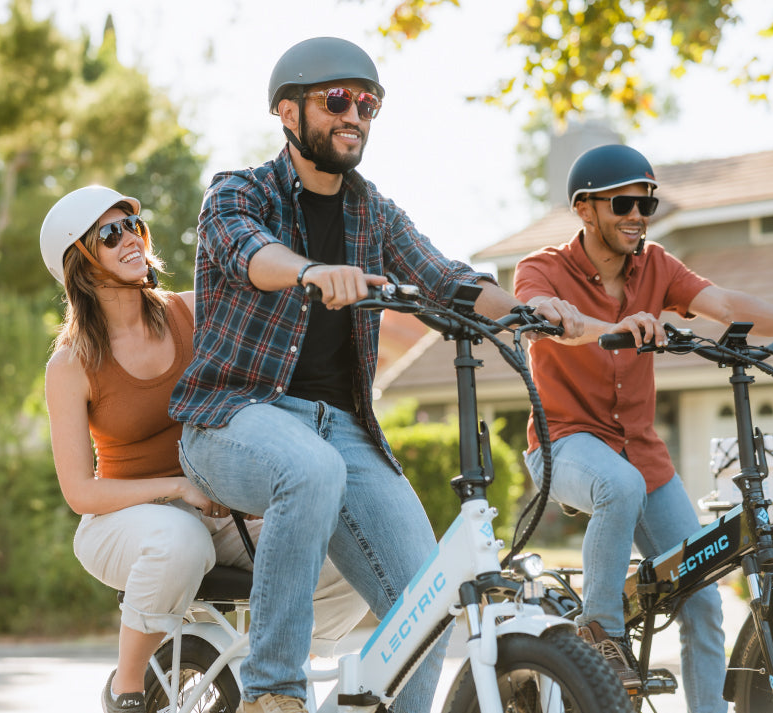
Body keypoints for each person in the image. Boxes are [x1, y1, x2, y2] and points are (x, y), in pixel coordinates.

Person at [169, 37, 585, 713]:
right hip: (232, 416)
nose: (354, 114)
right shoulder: (238, 193)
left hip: (344, 431)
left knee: (427, 601)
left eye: (368, 103)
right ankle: (272, 691)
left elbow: (446, 279)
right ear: (286, 111)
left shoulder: (373, 211)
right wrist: (308, 271)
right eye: (336, 99)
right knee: (309, 469)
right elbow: (249, 254)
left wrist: (527, 311)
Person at [40, 185, 368, 713]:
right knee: (180, 540)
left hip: (218, 508)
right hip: (125, 521)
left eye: (133, 227)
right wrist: (177, 487)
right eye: (108, 233)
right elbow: (81, 492)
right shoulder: (70, 364)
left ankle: (276, 676)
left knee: (345, 554)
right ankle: (126, 687)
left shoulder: (195, 313)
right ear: (79, 264)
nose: (129, 238)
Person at [514, 143, 773, 713]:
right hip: (564, 445)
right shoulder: (541, 267)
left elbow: (725, 303)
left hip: (642, 455)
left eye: (647, 202)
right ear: (585, 209)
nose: (638, 214)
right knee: (619, 485)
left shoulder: (657, 265)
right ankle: (600, 632)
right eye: (624, 203)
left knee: (703, 599)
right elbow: (550, 320)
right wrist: (612, 324)